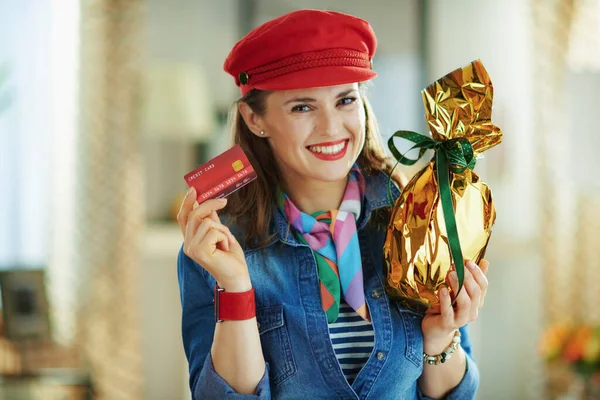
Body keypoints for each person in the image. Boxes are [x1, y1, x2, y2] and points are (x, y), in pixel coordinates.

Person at [177, 9, 489, 400]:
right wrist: (236, 287)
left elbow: (454, 396)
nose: (330, 127)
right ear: (255, 118)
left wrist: (441, 338)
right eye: (302, 107)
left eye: (345, 100)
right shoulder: (219, 243)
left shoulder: (418, 215)